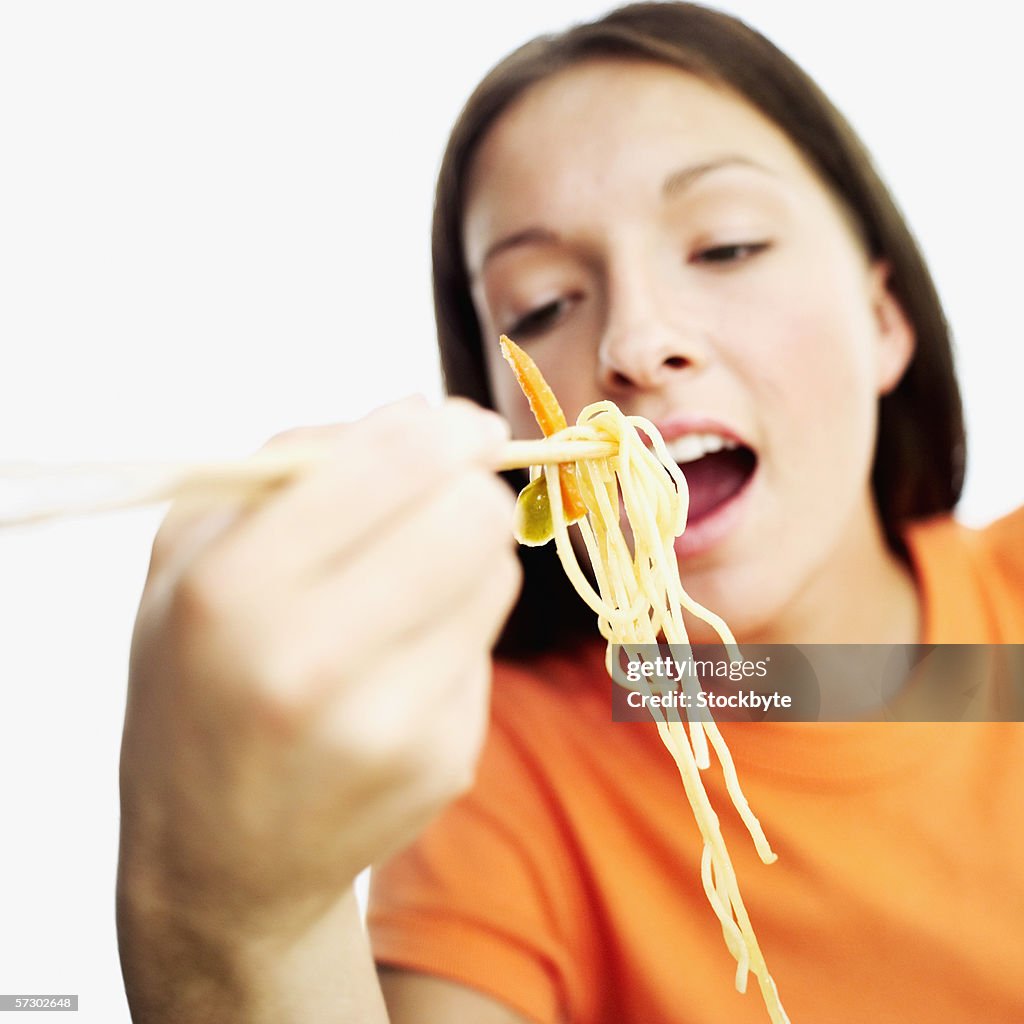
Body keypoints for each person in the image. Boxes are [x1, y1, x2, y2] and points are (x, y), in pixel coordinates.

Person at [116, 3, 1024, 1023]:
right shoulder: (491, 768)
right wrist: (232, 921)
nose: (632, 343)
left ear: (882, 318)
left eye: (725, 246)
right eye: (542, 305)